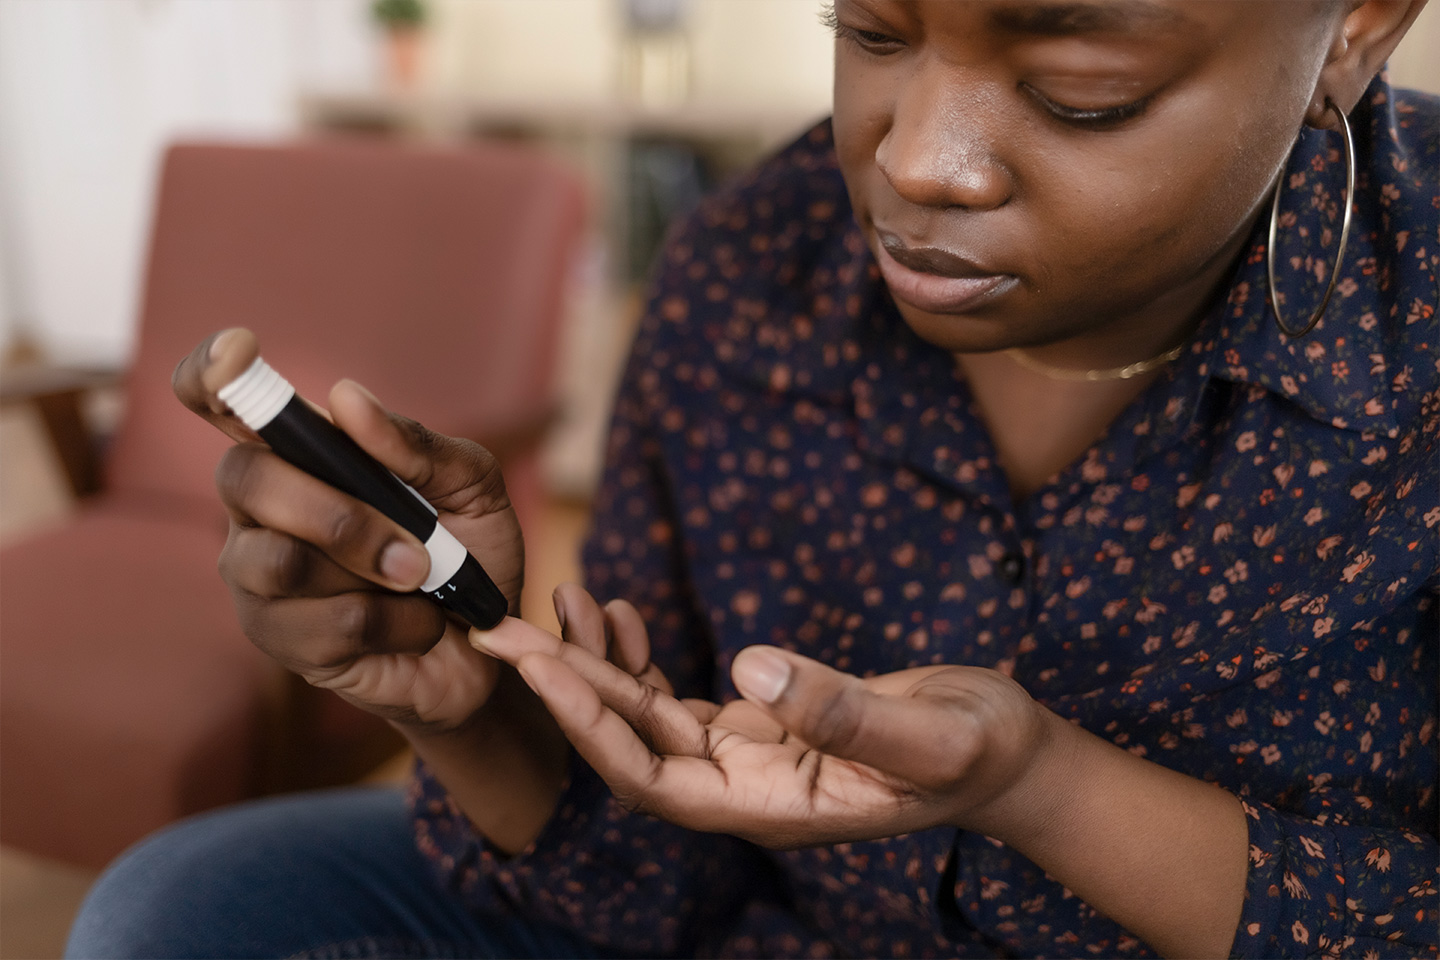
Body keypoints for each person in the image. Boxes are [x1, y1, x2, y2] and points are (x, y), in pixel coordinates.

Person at [70, 2, 1436, 958]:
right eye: (875, 34)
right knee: (193, 908)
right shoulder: (745, 271)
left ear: (1358, 27)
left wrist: (1040, 787)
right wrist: (479, 705)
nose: (913, 161)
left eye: (1085, 90)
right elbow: (656, 886)